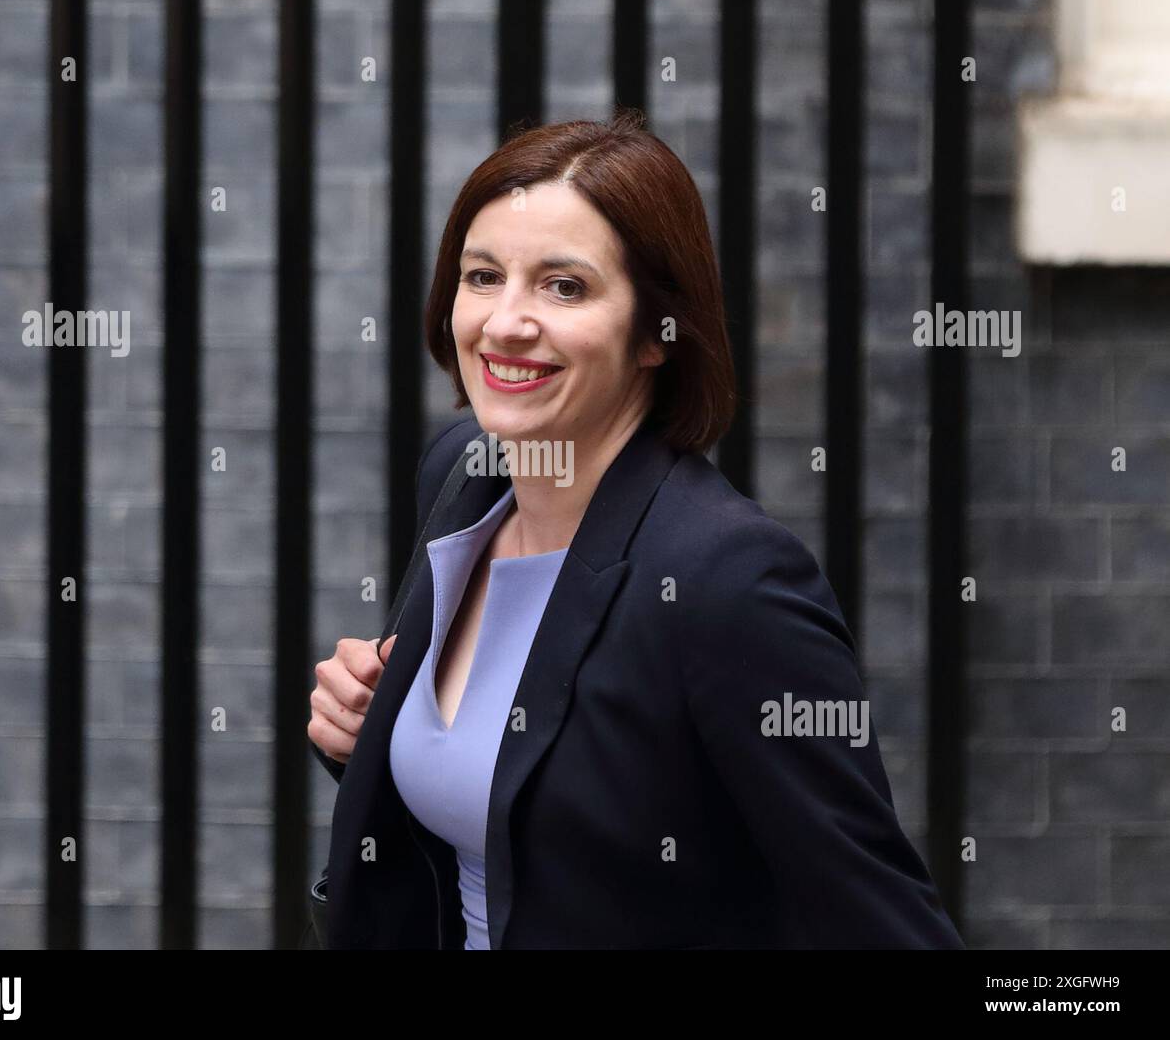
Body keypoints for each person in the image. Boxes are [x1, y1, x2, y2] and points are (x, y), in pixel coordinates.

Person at [308, 109, 965, 950]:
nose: (505, 321)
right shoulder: (463, 475)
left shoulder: (727, 577)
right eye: (483, 275)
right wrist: (371, 736)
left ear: (657, 332)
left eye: (564, 286)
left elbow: (884, 921)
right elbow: (510, 814)